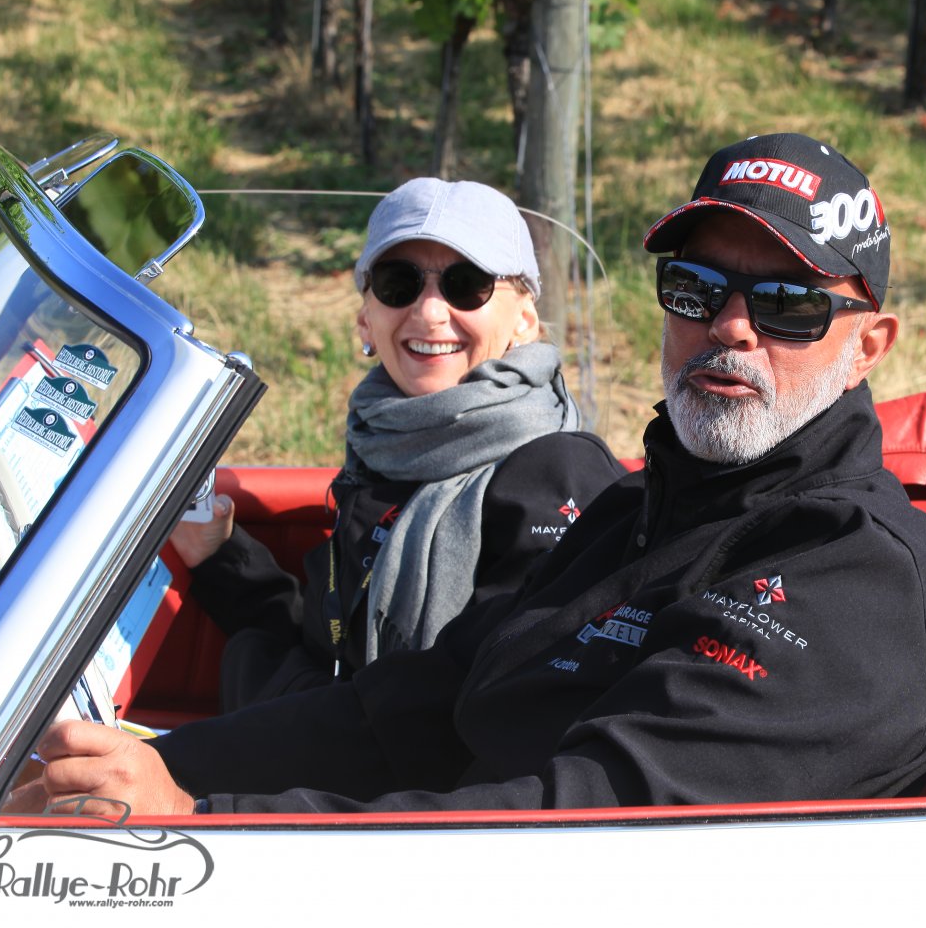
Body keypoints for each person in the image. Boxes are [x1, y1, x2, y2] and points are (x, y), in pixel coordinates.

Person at [17, 133, 926, 816]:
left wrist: (206, 817)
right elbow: (413, 706)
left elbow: (582, 824)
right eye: (695, 288)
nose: (730, 327)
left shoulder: (858, 580)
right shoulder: (637, 511)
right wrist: (163, 766)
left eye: (789, 305)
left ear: (869, 345)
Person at [170, 177, 626, 710]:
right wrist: (219, 556)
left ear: (525, 319)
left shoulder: (556, 474)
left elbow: (469, 713)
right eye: (398, 283)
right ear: (366, 319)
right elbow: (334, 647)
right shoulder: (380, 449)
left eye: (467, 284)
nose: (429, 312)